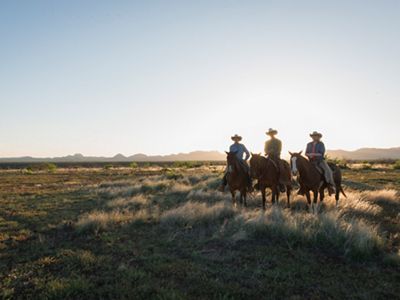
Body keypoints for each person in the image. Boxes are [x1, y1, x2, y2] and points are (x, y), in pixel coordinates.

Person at [305, 131, 336, 195]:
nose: (314, 137)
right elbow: (306, 153)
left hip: (320, 160)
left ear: (318, 137)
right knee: (302, 170)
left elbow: (321, 153)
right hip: (310, 161)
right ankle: (302, 186)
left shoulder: (321, 144)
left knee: (328, 170)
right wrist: (309, 154)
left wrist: (313, 154)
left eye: (316, 136)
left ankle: (330, 185)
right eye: (313, 136)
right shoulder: (309, 144)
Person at [264, 128, 290, 192]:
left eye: (272, 133)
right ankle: (260, 182)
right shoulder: (266, 142)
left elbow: (279, 149)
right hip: (269, 157)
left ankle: (282, 182)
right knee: (261, 167)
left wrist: (273, 152)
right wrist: (268, 152)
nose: (271, 134)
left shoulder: (278, 141)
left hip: (276, 157)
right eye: (270, 133)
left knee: (281, 167)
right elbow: (265, 149)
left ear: (274, 134)